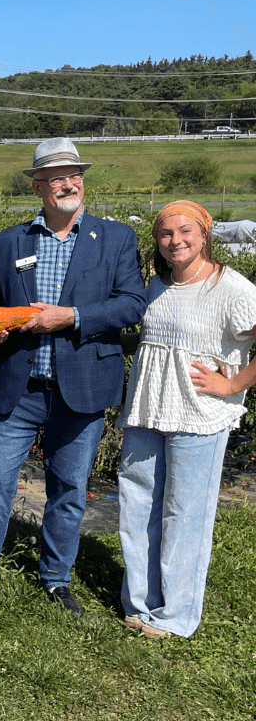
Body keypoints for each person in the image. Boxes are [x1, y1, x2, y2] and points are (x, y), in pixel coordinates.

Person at [0, 138, 145, 616]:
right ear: (37, 187)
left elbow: (132, 304)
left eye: (74, 175)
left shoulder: (115, 238)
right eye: (56, 178)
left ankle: (56, 579)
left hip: (82, 388)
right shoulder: (9, 242)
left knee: (69, 491)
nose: (68, 184)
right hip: (21, 388)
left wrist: (71, 317)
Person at [119, 201, 256, 639]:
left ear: (204, 235)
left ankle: (176, 615)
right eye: (165, 233)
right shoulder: (154, 286)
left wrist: (232, 386)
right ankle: (139, 603)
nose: (175, 240)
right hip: (147, 408)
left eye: (185, 231)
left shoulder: (231, 288)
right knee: (138, 505)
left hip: (199, 414)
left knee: (184, 513)